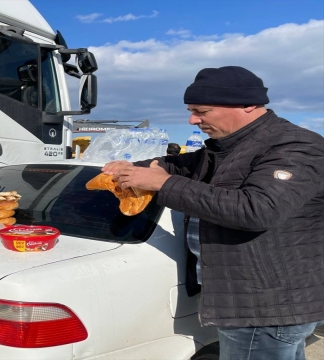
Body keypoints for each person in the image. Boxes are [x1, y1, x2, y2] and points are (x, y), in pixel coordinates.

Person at [102, 66, 324, 360]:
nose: (193, 120)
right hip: (247, 300)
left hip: (264, 305)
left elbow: (257, 210)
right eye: (191, 110)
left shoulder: (295, 146)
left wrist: (163, 183)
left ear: (248, 105)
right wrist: (133, 168)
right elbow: (176, 165)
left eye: (202, 111)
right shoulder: (224, 147)